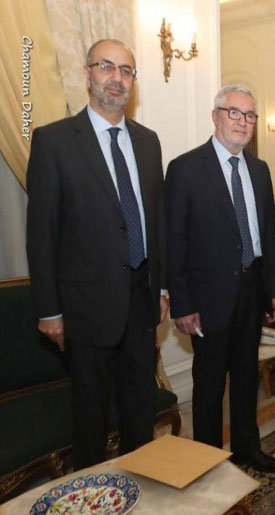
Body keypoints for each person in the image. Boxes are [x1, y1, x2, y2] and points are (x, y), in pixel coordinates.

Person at [26, 39, 167, 469]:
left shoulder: (148, 142)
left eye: (126, 70)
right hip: (85, 308)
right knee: (90, 420)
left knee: (140, 412)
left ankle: (139, 488)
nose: (116, 78)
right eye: (107, 67)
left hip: (140, 302)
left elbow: (155, 221)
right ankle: (92, 495)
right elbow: (41, 234)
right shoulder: (54, 141)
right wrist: (49, 309)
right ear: (87, 74)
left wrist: (161, 288)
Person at [165, 85, 275, 472]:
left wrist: (273, 290)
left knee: (247, 376)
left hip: (252, 290)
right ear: (215, 116)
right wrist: (182, 303)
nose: (242, 122)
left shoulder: (260, 170)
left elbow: (268, 235)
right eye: (234, 112)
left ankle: (247, 447)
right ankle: (208, 463)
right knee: (210, 385)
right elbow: (174, 242)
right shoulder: (185, 169)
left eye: (249, 115)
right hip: (207, 297)